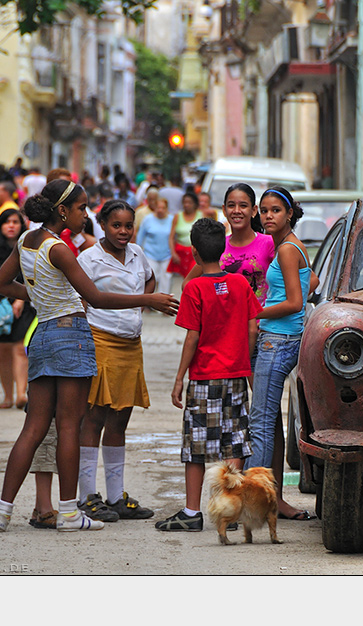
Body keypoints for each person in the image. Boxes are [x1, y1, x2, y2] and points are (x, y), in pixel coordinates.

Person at [0, 179, 179, 533]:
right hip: (70, 335)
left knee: (34, 427)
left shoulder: (27, 241)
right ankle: (70, 512)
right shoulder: (60, 249)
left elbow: (0, 284)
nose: (84, 214)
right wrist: (147, 300)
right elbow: (98, 298)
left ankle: (1, 511)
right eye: (80, 208)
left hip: (43, 333)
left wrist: (41, 297)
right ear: (62, 211)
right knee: (70, 425)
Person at [156, 218, 261, 531]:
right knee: (235, 442)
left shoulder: (194, 288)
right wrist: (243, 356)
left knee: (197, 446)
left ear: (195, 254)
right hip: (236, 376)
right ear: (224, 248)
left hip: (204, 378)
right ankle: (229, 509)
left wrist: (179, 379)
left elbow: (192, 336)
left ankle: (191, 513)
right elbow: (253, 326)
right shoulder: (241, 284)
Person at [75, 200, 157, 522]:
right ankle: (87, 496)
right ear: (103, 225)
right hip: (100, 341)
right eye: (116, 225)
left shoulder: (137, 254)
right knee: (93, 417)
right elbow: (79, 294)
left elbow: (149, 280)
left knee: (120, 419)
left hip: (130, 344)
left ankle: (115, 495)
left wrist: (142, 304)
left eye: (128, 225)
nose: (123, 232)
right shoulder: (89, 258)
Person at [246, 186, 318, 521]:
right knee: (268, 420)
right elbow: (312, 281)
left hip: (279, 341)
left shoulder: (288, 250)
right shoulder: (289, 248)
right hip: (280, 338)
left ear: (290, 214)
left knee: (259, 423)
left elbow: (293, 302)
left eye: (275, 210)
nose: (268, 216)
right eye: (264, 211)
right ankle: (269, 501)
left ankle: (250, 504)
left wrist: (253, 311)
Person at [0, 208, 36, 410]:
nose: (11, 226)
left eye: (15, 222)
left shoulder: (28, 248)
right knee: (3, 351)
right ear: (0, 225)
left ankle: (21, 393)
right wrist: (3, 289)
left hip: (23, 304)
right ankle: (7, 396)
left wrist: (19, 299)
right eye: (6, 222)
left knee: (20, 348)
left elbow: (31, 275)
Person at [183, 183, 275, 305]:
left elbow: (297, 282)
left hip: (260, 322)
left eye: (243, 206)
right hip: (224, 323)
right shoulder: (217, 244)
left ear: (253, 211)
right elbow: (187, 284)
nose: (237, 211)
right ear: (224, 210)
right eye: (231, 205)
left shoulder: (269, 243)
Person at [136, 197, 173, 296]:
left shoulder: (172, 219)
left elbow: (174, 236)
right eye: (158, 207)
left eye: (163, 208)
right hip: (150, 253)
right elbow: (140, 237)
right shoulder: (147, 220)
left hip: (167, 254)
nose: (160, 210)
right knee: (151, 277)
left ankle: (164, 300)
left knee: (166, 277)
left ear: (166, 209)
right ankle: (149, 300)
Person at [167, 191, 204, 282]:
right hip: (180, 251)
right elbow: (171, 237)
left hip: (195, 252)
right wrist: (173, 253)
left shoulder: (201, 215)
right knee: (182, 278)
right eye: (185, 202)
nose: (186, 205)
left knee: (192, 277)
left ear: (195, 204)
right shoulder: (178, 216)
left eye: (189, 202)